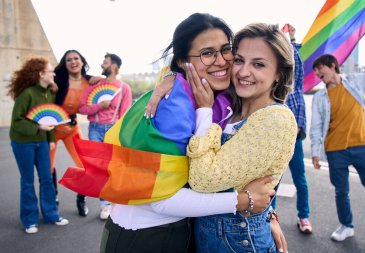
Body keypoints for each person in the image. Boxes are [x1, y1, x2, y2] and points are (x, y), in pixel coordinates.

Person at [100, 13, 287, 253]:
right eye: (207, 53)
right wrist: (245, 202)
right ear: (182, 62)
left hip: (181, 229)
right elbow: (160, 199)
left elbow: (247, 170)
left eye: (226, 50)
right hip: (146, 235)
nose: (221, 61)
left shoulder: (222, 95)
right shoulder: (174, 106)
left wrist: (265, 215)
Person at [183, 22, 297, 253]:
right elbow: (189, 64)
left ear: (279, 74)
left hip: (240, 243)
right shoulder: (229, 107)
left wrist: (204, 111)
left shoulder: (275, 119)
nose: (243, 72)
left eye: (258, 64)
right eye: (239, 60)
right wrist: (167, 78)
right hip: (211, 238)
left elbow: (203, 180)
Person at [310, 54, 365, 241]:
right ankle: (346, 226)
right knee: (341, 192)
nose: (317, 73)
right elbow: (316, 127)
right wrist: (315, 153)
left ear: (333, 66)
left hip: (362, 147)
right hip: (335, 150)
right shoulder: (320, 97)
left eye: (320, 68)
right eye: (315, 71)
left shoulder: (355, 81)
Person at [7, 57, 69, 234]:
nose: (54, 73)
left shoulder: (50, 93)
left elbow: (49, 118)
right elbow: (16, 122)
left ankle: (51, 215)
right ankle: (29, 220)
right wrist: (38, 127)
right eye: (51, 71)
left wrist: (50, 138)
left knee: (47, 178)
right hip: (22, 142)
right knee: (27, 181)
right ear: (41, 74)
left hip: (42, 141)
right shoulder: (26, 94)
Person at [79, 53, 132, 220]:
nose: (102, 65)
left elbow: (124, 116)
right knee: (99, 168)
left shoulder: (124, 88)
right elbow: (82, 108)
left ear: (114, 66)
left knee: (113, 168)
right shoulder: (94, 85)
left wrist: (122, 136)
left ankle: (113, 201)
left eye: (105, 62)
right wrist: (98, 106)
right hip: (94, 128)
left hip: (112, 130)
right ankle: (105, 205)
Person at [271, 24, 312, 234]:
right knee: (272, 182)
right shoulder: (273, 92)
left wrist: (292, 38)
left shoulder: (296, 89)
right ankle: (271, 217)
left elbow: (294, 56)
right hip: (275, 140)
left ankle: (304, 217)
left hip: (293, 139)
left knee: (300, 179)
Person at [52, 49, 101, 217]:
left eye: (76, 58)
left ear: (82, 61)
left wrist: (101, 80)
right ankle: (54, 199)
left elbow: (107, 87)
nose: (73, 62)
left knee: (84, 165)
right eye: (69, 60)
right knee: (48, 167)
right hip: (52, 128)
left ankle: (81, 198)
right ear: (64, 64)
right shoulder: (57, 79)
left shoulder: (90, 80)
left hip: (72, 128)